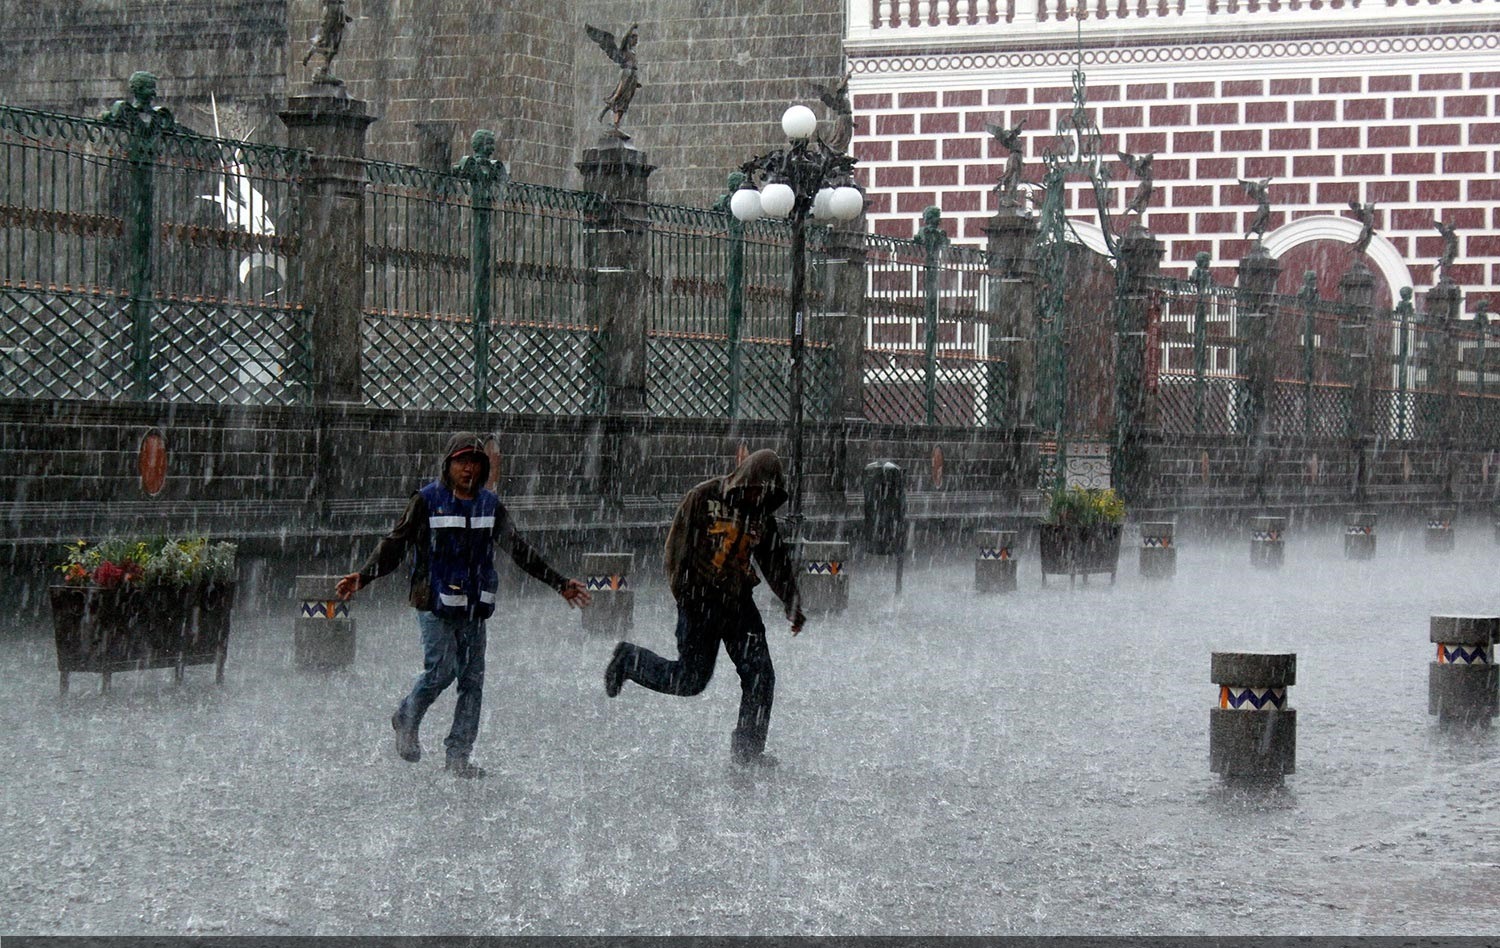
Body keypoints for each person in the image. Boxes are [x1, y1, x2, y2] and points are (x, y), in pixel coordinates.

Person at [336, 432, 591, 778]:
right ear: (448, 464)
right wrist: (364, 576)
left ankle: (458, 755)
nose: (468, 468)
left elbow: (518, 549)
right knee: (441, 669)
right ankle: (407, 717)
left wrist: (559, 583)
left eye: (475, 462)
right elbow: (395, 543)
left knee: (472, 681)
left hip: (474, 606)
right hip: (433, 602)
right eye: (461, 461)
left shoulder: (490, 505)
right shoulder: (427, 500)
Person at [603, 449, 805, 768]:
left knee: (760, 676)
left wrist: (792, 603)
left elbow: (774, 559)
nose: (758, 496)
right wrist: (685, 595)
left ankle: (748, 752)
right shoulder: (703, 496)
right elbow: (676, 549)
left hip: (739, 605)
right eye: (756, 488)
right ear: (745, 479)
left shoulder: (762, 514)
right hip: (699, 602)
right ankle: (630, 660)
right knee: (690, 680)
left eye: (766, 491)